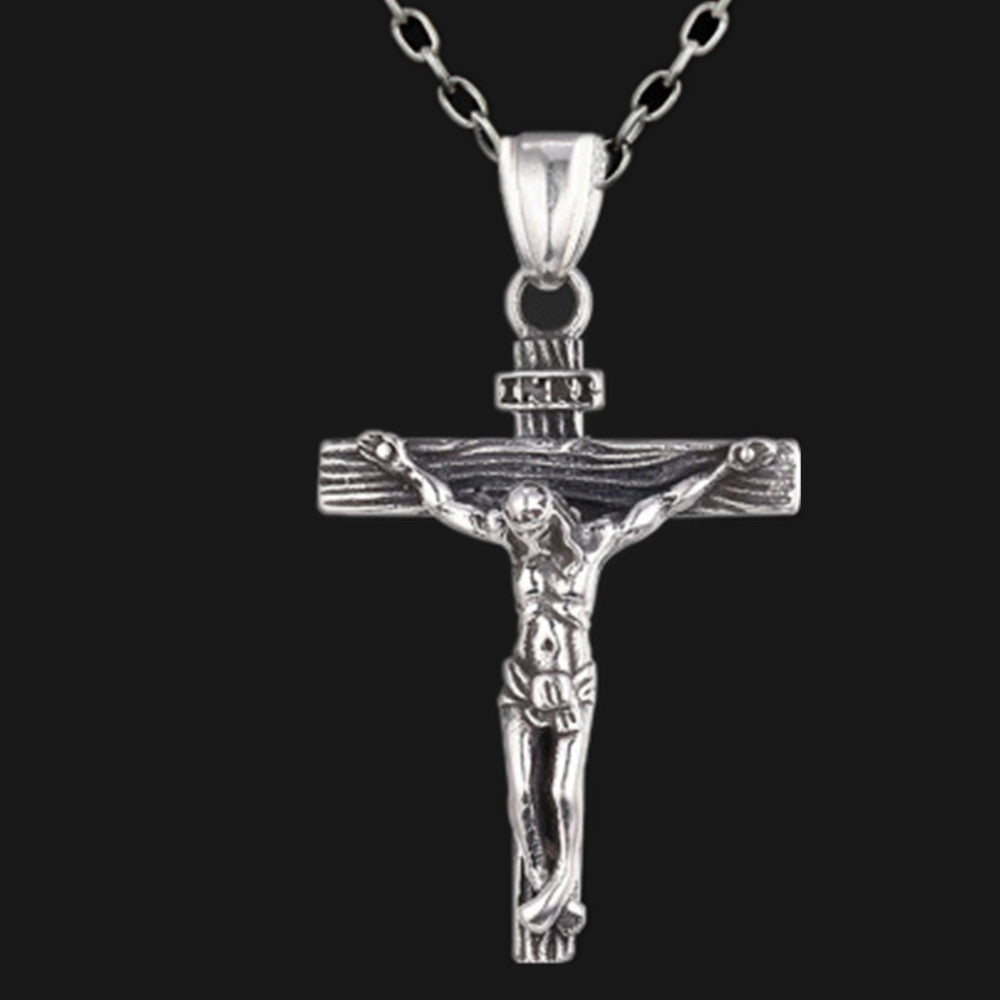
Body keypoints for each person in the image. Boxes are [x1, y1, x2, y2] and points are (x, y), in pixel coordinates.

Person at [357, 430, 776, 937]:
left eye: (533, 522)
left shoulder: (593, 545)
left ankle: (561, 889)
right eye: (518, 524)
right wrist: (401, 465)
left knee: (560, 792)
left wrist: (727, 469)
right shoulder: (514, 542)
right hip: (523, 678)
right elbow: (445, 504)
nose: (526, 533)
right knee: (522, 794)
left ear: (551, 512)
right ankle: (546, 887)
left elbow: (665, 502)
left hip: (572, 683)